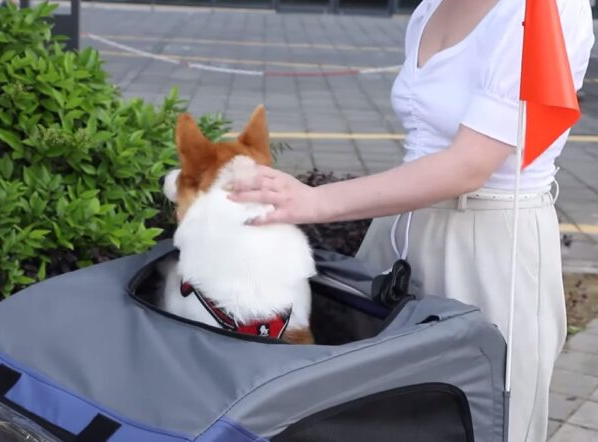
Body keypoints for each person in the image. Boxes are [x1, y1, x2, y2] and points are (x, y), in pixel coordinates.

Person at [227, 0, 595, 440]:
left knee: (479, 419)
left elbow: (470, 165)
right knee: (374, 419)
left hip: (488, 247)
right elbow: (425, 149)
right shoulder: (431, 7)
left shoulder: (548, 9)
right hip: (396, 239)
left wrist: (315, 201)